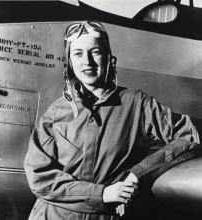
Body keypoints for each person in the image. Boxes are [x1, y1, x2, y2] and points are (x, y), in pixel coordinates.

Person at [24, 21, 201, 220]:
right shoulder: (55, 114)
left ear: (109, 57)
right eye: (78, 53)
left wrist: (138, 174)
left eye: (95, 52)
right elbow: (39, 177)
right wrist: (102, 194)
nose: (87, 62)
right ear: (70, 61)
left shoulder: (137, 104)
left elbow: (188, 138)